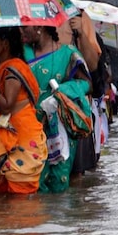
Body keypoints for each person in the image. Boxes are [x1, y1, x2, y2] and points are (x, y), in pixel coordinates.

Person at [22, 25, 92, 193]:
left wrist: (61, 92)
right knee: (29, 180)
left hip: (59, 127)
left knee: (58, 180)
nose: (22, 32)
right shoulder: (22, 53)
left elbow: (87, 84)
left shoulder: (69, 53)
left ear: (39, 27)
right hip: (28, 126)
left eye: (25, 28)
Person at [0, 27, 48, 194]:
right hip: (15, 134)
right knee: (7, 197)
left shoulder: (12, 69)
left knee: (19, 198)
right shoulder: (8, 67)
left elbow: (6, 106)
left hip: (22, 137)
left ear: (5, 44)